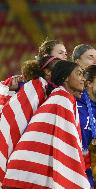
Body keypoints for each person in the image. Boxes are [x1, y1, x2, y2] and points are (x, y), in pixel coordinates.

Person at [2, 61, 91, 188]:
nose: (83, 79)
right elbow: (69, 146)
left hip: (27, 171)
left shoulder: (61, 97)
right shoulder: (62, 100)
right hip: (30, 172)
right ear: (65, 78)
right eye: (79, 74)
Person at [0, 55, 61, 184]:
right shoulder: (36, 88)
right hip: (17, 146)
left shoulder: (43, 88)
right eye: (59, 68)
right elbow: (18, 122)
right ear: (47, 72)